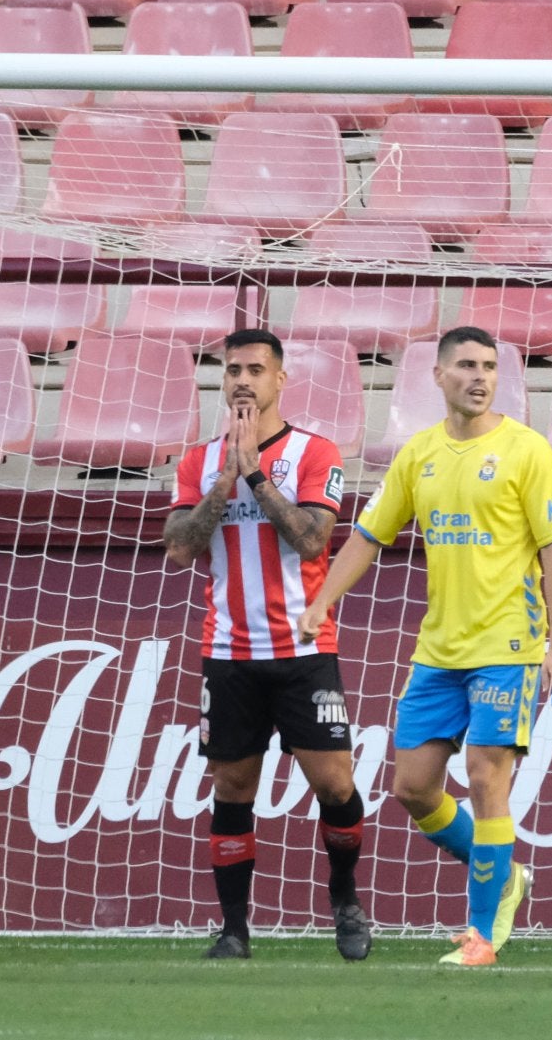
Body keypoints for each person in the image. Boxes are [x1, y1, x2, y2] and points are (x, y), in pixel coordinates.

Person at [300, 325, 552, 967]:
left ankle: (482, 935)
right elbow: (369, 535)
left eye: (490, 367)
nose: (480, 377)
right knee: (414, 788)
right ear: (439, 375)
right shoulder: (418, 454)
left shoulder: (527, 450)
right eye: (467, 366)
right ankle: (504, 876)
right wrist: (322, 601)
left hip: (509, 643)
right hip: (439, 651)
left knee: (486, 776)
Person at [164, 328, 372, 963]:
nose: (243, 380)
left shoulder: (315, 452)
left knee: (335, 785)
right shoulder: (199, 462)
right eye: (232, 370)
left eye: (256, 369)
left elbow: (313, 542)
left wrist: (254, 473)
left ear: (281, 380)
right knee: (231, 787)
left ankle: (344, 902)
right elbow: (178, 546)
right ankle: (233, 929)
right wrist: (225, 481)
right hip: (228, 651)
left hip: (302, 649)